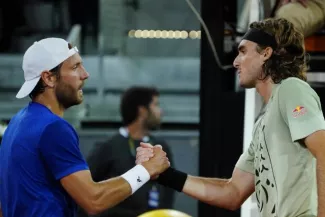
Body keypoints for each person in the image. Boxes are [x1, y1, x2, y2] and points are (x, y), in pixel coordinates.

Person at [136, 18, 325, 217]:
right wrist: (166, 175)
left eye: (243, 51)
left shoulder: (291, 88)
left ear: (266, 54)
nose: (235, 62)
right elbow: (232, 192)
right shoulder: (264, 122)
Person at [0, 37, 170, 217]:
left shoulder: (17, 123)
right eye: (75, 67)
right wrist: (145, 170)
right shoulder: (53, 128)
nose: (85, 74)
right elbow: (94, 200)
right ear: (48, 78)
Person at [78, 86, 175, 217]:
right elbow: (85, 190)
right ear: (142, 111)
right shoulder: (108, 147)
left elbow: (169, 191)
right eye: (156, 105)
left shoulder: (161, 147)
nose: (161, 111)